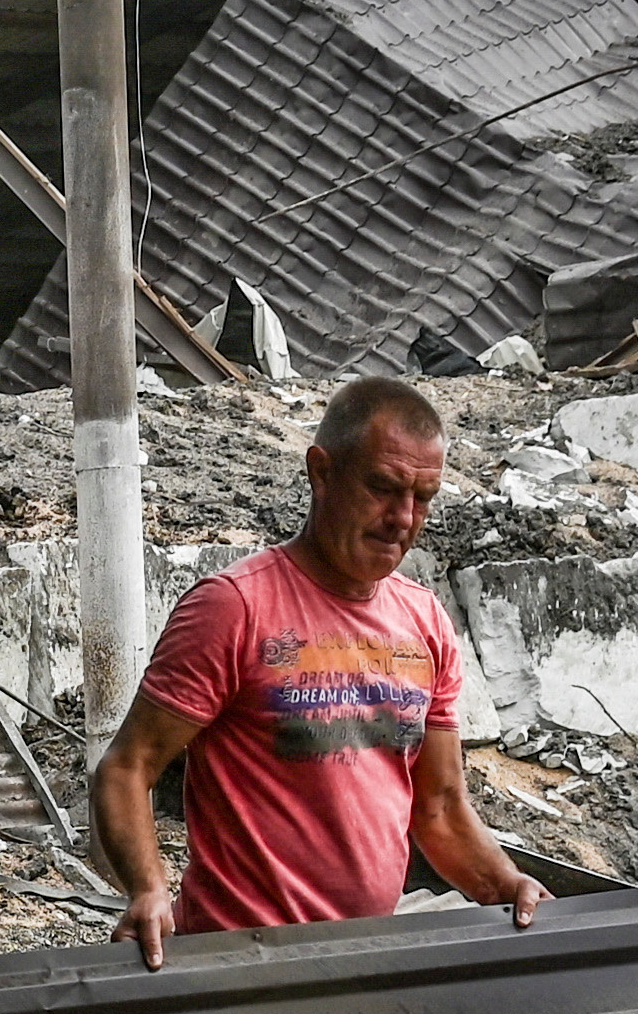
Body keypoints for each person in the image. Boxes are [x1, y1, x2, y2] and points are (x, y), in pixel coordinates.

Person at [90, 374, 549, 965]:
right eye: (383, 488)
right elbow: (127, 768)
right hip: (237, 964)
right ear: (321, 472)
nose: (402, 518)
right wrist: (149, 890)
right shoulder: (235, 608)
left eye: (424, 497)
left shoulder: (426, 622)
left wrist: (503, 885)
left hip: (365, 960)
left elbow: (438, 807)